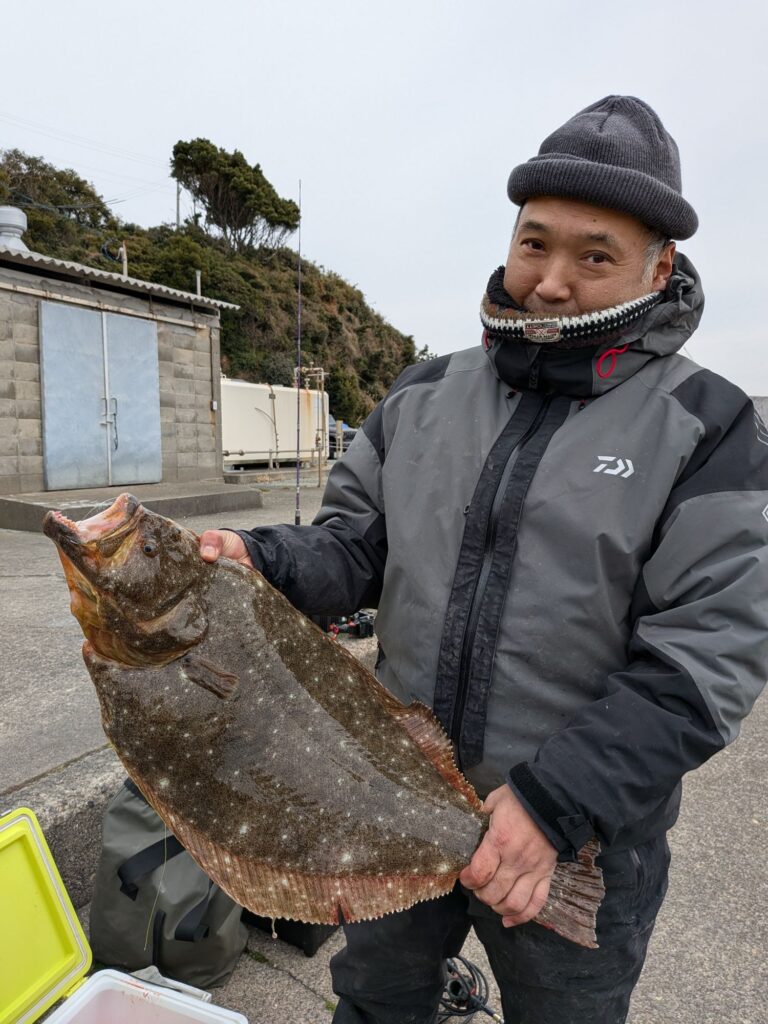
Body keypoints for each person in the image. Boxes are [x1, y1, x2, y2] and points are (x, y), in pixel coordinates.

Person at [199, 96, 768, 1023]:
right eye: (534, 244)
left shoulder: (710, 425)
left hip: (575, 836)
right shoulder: (423, 392)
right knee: (375, 1002)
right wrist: (257, 558)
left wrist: (552, 803)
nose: (551, 282)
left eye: (595, 257)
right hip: (388, 796)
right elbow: (350, 549)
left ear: (659, 267)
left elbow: (709, 655)